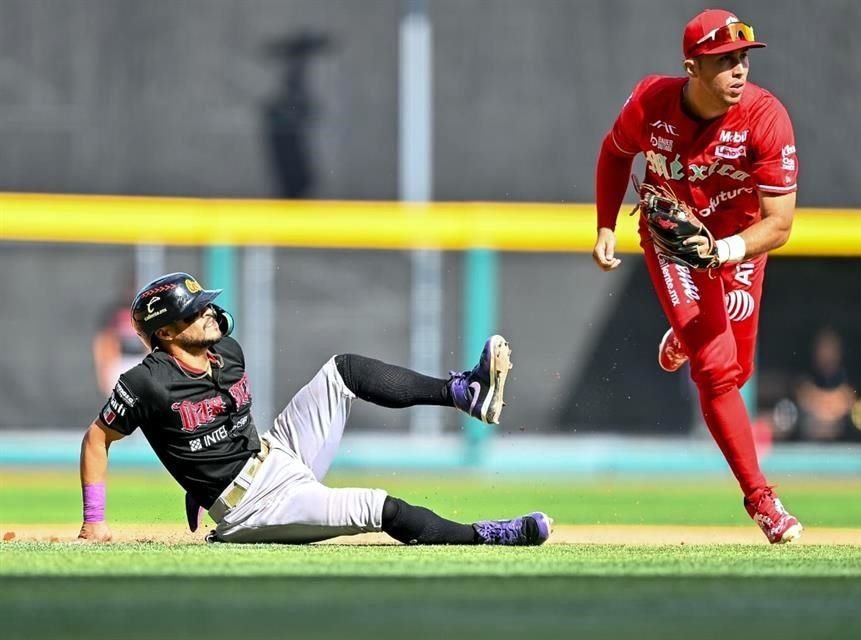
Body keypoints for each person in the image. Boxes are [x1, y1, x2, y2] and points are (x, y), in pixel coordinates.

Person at [78, 272, 551, 545]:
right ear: (164, 332)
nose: (207, 313)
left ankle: (463, 393)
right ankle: (487, 536)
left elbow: (216, 426)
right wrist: (94, 520)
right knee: (380, 506)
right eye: (193, 311)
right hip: (258, 507)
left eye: (204, 306)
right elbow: (97, 438)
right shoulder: (146, 381)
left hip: (275, 456)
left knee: (341, 371)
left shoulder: (229, 352)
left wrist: (197, 477)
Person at [591, 9, 802, 543]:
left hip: (738, 245)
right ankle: (762, 501)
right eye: (723, 61)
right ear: (692, 67)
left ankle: (686, 335)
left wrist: (725, 251)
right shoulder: (650, 103)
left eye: (741, 59)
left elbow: (779, 223)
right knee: (716, 372)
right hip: (676, 244)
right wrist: (605, 224)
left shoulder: (765, 118)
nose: (738, 71)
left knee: (738, 368)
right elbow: (615, 153)